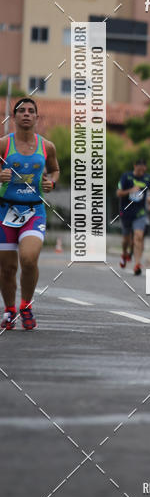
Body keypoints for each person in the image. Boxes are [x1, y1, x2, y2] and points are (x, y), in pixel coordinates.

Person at [0, 98, 60, 331]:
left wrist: (51, 182)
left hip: (34, 211)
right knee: (7, 269)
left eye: (31, 111)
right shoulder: (4, 144)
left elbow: (55, 170)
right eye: (21, 111)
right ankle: (9, 310)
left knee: (28, 258)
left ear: (37, 117)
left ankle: (26, 305)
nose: (26, 114)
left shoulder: (47, 146)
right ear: (14, 117)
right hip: (5, 211)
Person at [117, 157, 150, 275]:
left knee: (138, 237)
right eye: (139, 167)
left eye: (143, 168)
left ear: (145, 168)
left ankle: (137, 264)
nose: (141, 170)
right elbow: (118, 192)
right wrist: (130, 190)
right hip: (126, 212)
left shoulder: (148, 178)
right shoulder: (126, 176)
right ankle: (124, 254)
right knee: (126, 240)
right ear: (135, 166)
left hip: (140, 213)